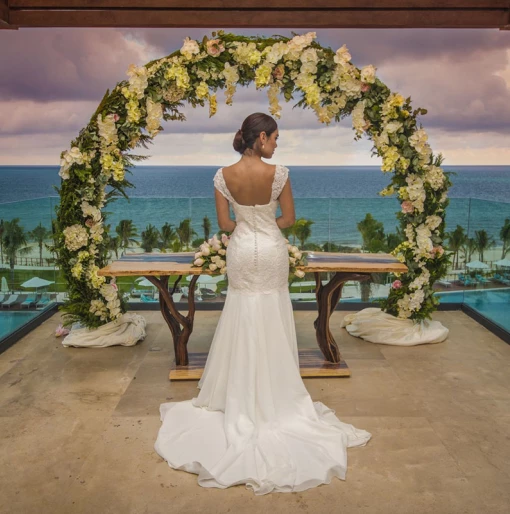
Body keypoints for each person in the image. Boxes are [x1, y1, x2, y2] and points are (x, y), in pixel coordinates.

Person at [154, 112, 371, 495]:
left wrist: (247, 224)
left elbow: (224, 225)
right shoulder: (280, 174)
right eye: (274, 137)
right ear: (261, 138)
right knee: (271, 310)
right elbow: (288, 220)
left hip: (241, 252)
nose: (277, 143)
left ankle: (238, 392)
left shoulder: (222, 176)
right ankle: (275, 392)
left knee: (241, 310)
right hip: (271, 249)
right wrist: (265, 222)